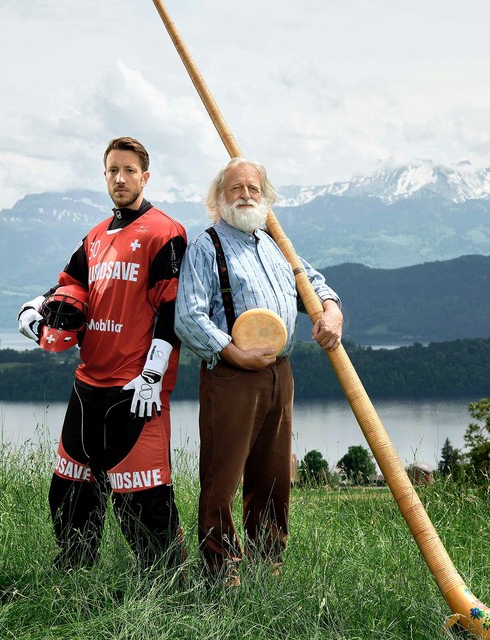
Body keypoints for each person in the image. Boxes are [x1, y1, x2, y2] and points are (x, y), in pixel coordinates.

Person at [17, 136, 187, 571]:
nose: (120, 178)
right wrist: (36, 307)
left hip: (135, 388)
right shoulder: (94, 236)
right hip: (88, 383)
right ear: (105, 176)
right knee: (69, 490)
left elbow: (173, 308)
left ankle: (169, 588)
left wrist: (153, 373)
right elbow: (69, 285)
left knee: (143, 501)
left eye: (129, 170)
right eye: (112, 170)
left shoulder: (165, 233)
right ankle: (75, 574)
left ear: (145, 177)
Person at [174, 157, 343, 584]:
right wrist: (233, 353)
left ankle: (267, 561)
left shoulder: (274, 241)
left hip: (279, 373)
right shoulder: (207, 246)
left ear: (265, 197)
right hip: (232, 375)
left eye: (253, 188)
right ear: (218, 198)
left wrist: (331, 309)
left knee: (272, 473)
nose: (246, 195)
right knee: (223, 474)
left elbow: (314, 281)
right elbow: (189, 316)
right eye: (235, 189)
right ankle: (221, 567)